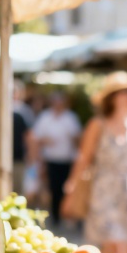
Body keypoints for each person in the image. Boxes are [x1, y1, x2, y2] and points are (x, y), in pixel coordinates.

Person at [64, 72, 127, 253]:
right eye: (123, 92)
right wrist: (71, 189)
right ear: (111, 98)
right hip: (104, 191)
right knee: (112, 247)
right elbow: (83, 159)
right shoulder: (98, 125)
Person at [31, 92, 82, 227]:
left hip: (67, 160)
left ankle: (68, 215)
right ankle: (56, 217)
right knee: (54, 189)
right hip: (51, 160)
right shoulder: (45, 117)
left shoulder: (71, 118)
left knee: (67, 189)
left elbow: (78, 138)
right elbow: (36, 139)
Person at [0, 82, 34, 194]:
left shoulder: (22, 113)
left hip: (18, 160)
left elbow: (29, 137)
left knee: (17, 193)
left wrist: (31, 158)